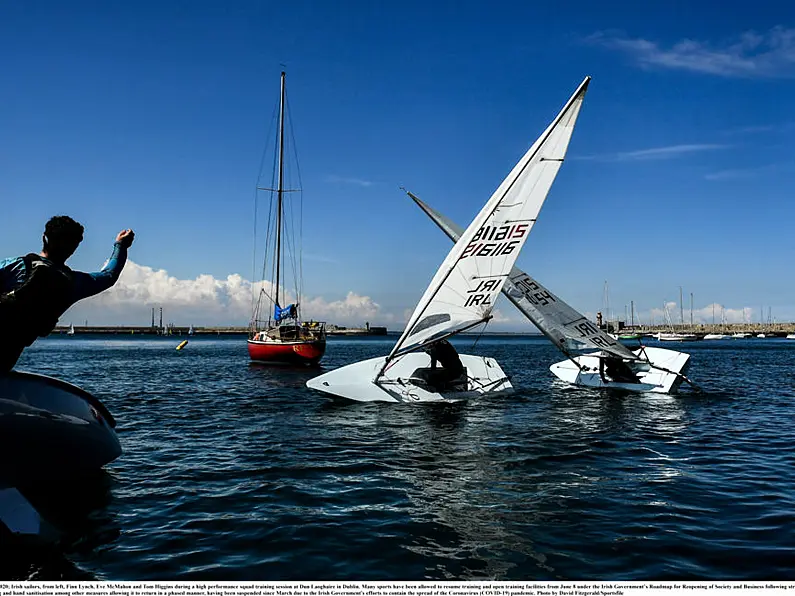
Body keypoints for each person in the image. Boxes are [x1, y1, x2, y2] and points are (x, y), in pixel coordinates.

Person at [0, 216, 135, 372]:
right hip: (6, 360)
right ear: (74, 248)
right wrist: (121, 246)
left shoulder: (15, 266)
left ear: (44, 238)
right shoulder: (73, 283)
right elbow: (109, 275)